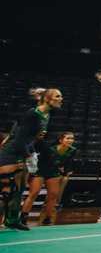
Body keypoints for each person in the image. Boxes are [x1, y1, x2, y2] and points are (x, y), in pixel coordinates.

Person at [1, 88, 63, 230]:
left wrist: (31, 151)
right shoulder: (32, 114)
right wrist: (29, 155)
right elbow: (19, 139)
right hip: (12, 153)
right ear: (47, 99)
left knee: (19, 188)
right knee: (8, 188)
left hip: (24, 151)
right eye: (57, 96)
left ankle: (12, 220)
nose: (61, 99)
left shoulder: (46, 115)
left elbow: (31, 138)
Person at [29, 132, 77, 226]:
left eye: (72, 138)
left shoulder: (73, 150)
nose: (71, 140)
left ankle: (47, 217)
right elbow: (41, 161)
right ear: (60, 140)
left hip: (54, 173)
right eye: (68, 138)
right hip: (41, 171)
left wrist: (66, 172)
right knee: (34, 193)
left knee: (53, 195)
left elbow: (68, 162)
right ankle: (24, 216)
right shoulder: (50, 149)